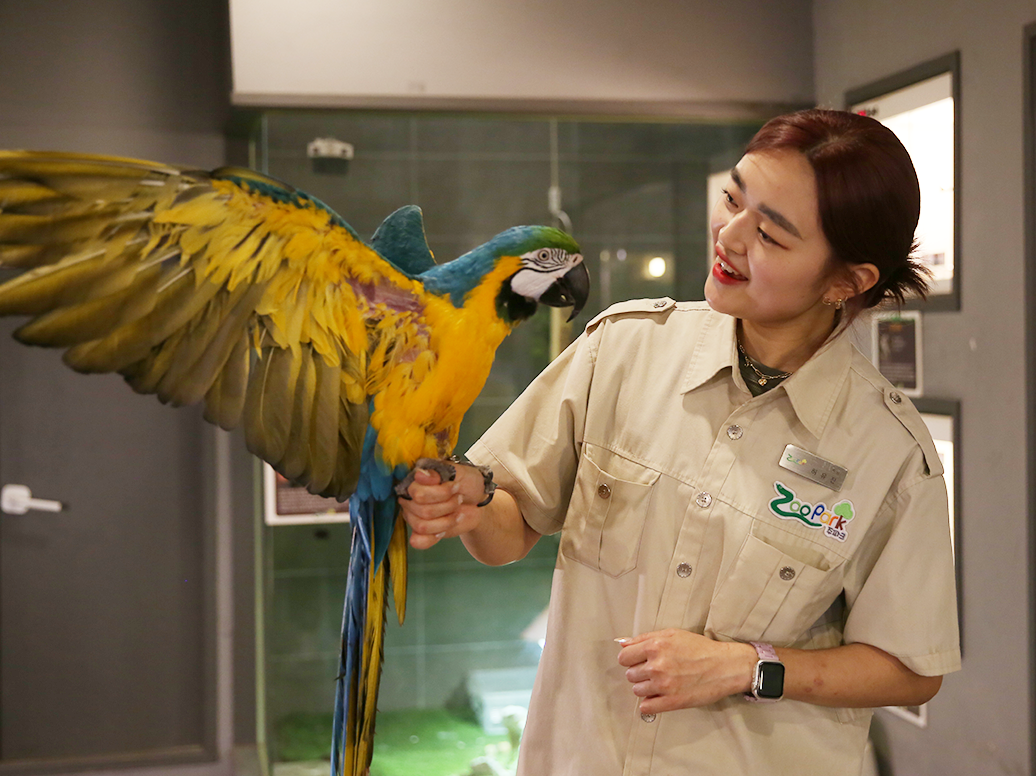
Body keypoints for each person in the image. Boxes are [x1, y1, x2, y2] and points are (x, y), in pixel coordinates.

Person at [398, 109, 961, 775]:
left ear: (847, 280)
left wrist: (748, 667)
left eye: (771, 235)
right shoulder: (623, 348)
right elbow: (509, 528)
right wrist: (468, 504)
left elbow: (911, 670)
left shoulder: (889, 451)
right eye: (733, 199)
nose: (730, 236)